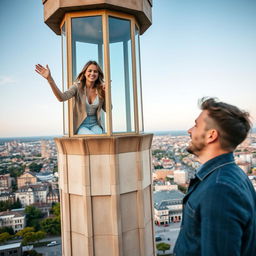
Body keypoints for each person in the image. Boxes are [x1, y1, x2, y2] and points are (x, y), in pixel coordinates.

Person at [174, 97, 256, 256]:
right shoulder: (232, 175)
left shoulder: (220, 189)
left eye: (196, 125)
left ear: (211, 135)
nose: (189, 130)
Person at [35, 60, 106, 135]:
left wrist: (106, 93)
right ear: (84, 73)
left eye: (95, 71)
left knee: (99, 137)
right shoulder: (77, 87)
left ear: (98, 74)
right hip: (81, 126)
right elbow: (61, 97)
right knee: (91, 136)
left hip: (95, 125)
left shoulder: (101, 89)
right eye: (90, 71)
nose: (92, 73)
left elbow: (108, 109)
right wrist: (50, 79)